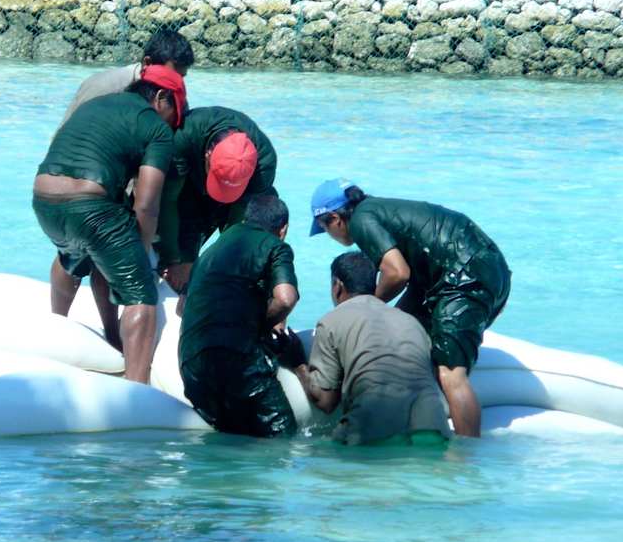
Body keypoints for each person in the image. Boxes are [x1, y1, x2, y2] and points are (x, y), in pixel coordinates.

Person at [308, 179, 511, 437]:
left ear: (335, 219)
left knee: (450, 373)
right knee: (416, 338)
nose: (330, 235)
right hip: (482, 268)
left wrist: (363, 309)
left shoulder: (362, 221)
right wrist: (387, 318)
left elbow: (397, 273)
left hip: (464, 275)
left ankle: (465, 462)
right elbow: (414, 286)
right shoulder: (379, 211)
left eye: (325, 227)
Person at [32, 65, 187, 383]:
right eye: (177, 112)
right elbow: (146, 204)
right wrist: (142, 255)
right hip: (90, 205)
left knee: (71, 257)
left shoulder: (96, 104)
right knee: (140, 294)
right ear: (161, 98)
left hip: (44, 200)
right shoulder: (155, 128)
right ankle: (135, 389)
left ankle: (56, 335)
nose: (175, 123)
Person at [178, 195, 305, 438]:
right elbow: (286, 298)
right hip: (238, 360)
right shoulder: (275, 245)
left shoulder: (211, 251)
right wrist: (258, 326)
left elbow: (181, 308)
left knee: (228, 436)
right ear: (283, 229)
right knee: (284, 438)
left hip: (191, 364)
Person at [294, 251, 453, 445]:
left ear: (338, 286)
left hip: (374, 428)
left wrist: (297, 364)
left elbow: (326, 401)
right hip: (434, 425)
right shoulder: (410, 321)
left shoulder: (331, 322)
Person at [157, 106, 278, 295]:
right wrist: (175, 258)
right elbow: (169, 201)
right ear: (208, 155)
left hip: (239, 201)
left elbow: (236, 224)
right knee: (177, 257)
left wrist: (222, 267)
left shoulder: (265, 162)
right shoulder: (185, 136)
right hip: (188, 187)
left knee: (241, 256)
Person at [61, 28, 195, 126]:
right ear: (147, 63)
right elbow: (67, 136)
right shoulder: (104, 87)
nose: (177, 82)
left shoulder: (175, 97)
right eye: (172, 76)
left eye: (181, 77)